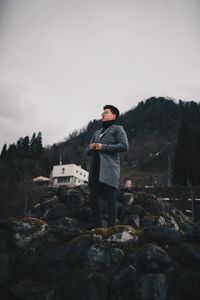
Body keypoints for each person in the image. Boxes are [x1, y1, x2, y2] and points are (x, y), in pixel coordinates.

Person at [87, 105, 129, 228]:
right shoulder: (97, 133)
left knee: (111, 200)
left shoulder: (118, 129)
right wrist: (90, 148)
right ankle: (98, 228)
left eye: (105, 112)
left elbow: (124, 146)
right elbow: (88, 151)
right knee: (94, 200)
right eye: (102, 113)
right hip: (95, 170)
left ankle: (111, 229)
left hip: (110, 170)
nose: (102, 115)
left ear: (113, 115)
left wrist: (102, 147)